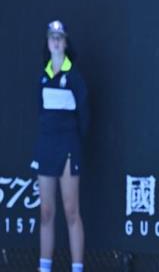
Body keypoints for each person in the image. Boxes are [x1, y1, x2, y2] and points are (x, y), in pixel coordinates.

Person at [31, 20, 89, 272]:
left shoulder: (74, 77)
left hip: (68, 147)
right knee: (46, 211)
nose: (55, 42)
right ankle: (44, 268)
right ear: (47, 43)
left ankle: (77, 268)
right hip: (46, 147)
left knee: (71, 210)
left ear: (65, 43)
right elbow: (41, 113)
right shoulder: (42, 78)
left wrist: (73, 143)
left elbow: (85, 116)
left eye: (59, 38)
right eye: (51, 37)